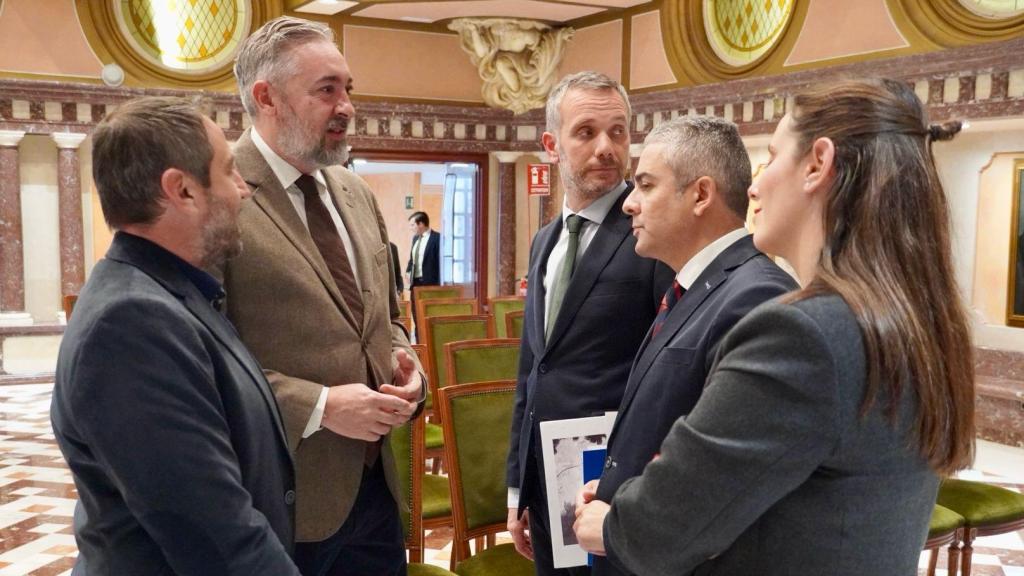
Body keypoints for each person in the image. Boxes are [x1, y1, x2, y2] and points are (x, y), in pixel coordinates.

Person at [573, 78, 976, 575]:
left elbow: (668, 524)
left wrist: (614, 525)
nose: (755, 185)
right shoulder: (907, 319)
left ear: (817, 164)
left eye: (772, 156)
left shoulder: (806, 335)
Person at [50, 96, 300, 575]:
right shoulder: (131, 322)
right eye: (229, 171)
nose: (243, 190)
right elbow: (211, 532)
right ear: (181, 189)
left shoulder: (171, 292)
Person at [223, 16, 424, 576]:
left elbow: (388, 317)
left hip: (376, 491)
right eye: (326, 90)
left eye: (348, 89)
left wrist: (410, 368)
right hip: (279, 496)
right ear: (267, 97)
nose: (347, 107)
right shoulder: (219, 192)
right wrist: (320, 407)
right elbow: (203, 361)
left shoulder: (355, 191)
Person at [589, 116, 797, 576]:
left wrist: (620, 522)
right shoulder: (696, 283)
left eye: (645, 185)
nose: (629, 204)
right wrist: (615, 490)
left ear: (700, 195)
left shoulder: (753, 295)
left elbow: (721, 473)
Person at [506, 71, 675, 576]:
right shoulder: (546, 242)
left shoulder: (652, 236)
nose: (606, 147)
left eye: (618, 132)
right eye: (586, 132)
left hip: (618, 483)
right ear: (552, 144)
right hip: (546, 477)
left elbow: (668, 371)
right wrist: (520, 486)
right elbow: (533, 372)